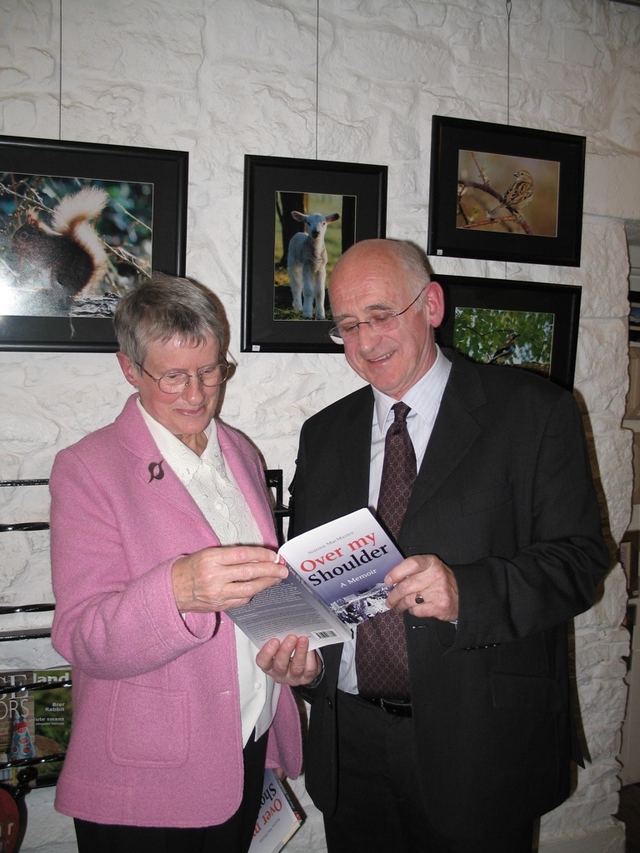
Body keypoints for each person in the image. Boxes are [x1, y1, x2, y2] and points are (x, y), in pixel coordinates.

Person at [258, 239, 610, 853]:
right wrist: (307, 666)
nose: (365, 342)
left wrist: (465, 592)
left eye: (380, 315)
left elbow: (580, 560)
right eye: (346, 325)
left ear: (433, 305)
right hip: (353, 751)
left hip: (481, 745)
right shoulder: (324, 434)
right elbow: (317, 584)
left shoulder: (534, 412)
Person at [49, 273, 317, 853]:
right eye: (173, 376)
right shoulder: (88, 469)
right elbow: (80, 636)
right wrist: (177, 591)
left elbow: (260, 598)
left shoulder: (241, 451)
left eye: (210, 371)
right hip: (148, 774)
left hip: (245, 747)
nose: (196, 394)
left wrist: (293, 657)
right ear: (129, 369)